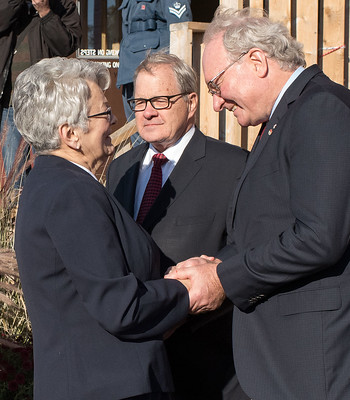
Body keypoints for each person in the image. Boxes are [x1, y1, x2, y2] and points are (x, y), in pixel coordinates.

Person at [166, 6, 350, 400]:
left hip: (312, 366)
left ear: (256, 61)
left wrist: (224, 278)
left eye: (216, 86)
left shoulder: (320, 109)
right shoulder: (287, 117)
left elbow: (319, 237)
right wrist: (216, 263)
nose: (216, 104)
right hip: (279, 363)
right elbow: (268, 228)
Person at [13, 57, 190, 400]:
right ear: (71, 134)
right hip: (108, 387)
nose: (113, 122)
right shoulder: (70, 192)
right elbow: (120, 305)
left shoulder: (52, 184)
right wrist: (189, 290)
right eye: (103, 114)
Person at [107, 52, 249, 400]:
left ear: (191, 102)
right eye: (139, 101)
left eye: (160, 100)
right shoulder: (119, 168)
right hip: (133, 365)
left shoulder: (233, 166)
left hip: (206, 361)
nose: (148, 111)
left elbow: (248, 247)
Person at [0, 0, 81, 183]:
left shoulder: (62, 3)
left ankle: (50, 208)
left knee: (51, 170)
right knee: (15, 178)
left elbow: (66, 46)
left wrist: (46, 12)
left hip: (47, 103)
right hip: (12, 104)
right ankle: (19, 211)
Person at [117, 0, 192, 125]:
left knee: (157, 130)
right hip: (129, 73)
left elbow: (181, 34)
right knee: (135, 131)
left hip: (157, 77)